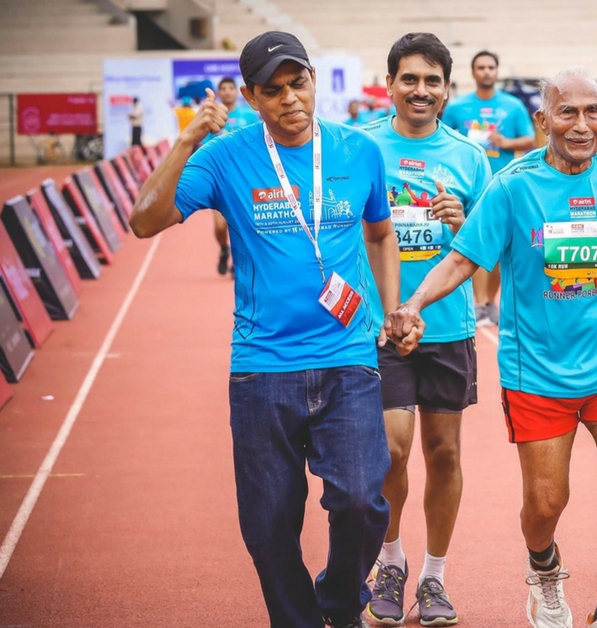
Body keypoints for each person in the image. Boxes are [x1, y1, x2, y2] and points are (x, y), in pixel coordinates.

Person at [385, 68, 597, 628]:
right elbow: (463, 259)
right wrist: (413, 305)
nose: (581, 125)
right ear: (543, 120)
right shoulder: (512, 187)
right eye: (567, 112)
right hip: (536, 371)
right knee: (544, 504)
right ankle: (544, 569)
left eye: (592, 112)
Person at [128, 31, 400, 628]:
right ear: (251, 96)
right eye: (272, 91)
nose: (290, 100)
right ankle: (298, 619)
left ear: (311, 80)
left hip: (347, 353)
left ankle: (338, 601)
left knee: (361, 499)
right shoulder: (225, 156)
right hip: (262, 364)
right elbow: (144, 221)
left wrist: (387, 311)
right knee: (269, 521)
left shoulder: (358, 151)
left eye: (297, 83)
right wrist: (186, 142)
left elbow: (381, 234)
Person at [360, 33, 491, 627]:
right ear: (390, 84)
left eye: (432, 80)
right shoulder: (360, 148)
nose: (420, 90)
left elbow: (484, 247)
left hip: (448, 327)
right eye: (409, 79)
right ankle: (390, 562)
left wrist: (463, 221)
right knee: (390, 448)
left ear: (446, 89)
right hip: (380, 328)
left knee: (443, 452)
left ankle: (433, 577)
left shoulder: (468, 156)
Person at [442, 49, 536, 327]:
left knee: (499, 247)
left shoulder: (512, 106)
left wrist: (505, 143)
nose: (486, 72)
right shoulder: (458, 107)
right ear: (473, 72)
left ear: (496, 71)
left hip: (502, 184)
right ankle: (477, 302)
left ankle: (487, 302)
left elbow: (530, 139)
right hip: (467, 186)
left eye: (490, 67)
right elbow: (443, 137)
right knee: (471, 244)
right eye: (480, 67)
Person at [205, 76, 262, 276]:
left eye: (231, 87)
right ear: (219, 92)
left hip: (245, 179)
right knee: (220, 226)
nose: (228, 91)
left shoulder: (249, 115)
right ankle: (223, 248)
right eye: (224, 88)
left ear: (237, 91)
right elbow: (205, 147)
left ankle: (239, 263)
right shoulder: (211, 116)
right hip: (221, 180)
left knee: (244, 224)